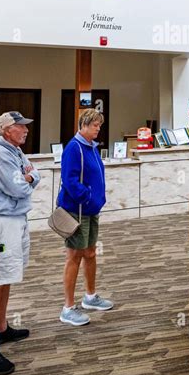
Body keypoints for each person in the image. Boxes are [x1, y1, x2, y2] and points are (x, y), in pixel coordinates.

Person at [0, 111, 40, 375]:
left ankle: (1, 329)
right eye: (20, 126)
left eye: (26, 126)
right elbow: (20, 188)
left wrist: (29, 177)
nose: (25, 130)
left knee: (7, 275)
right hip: (2, 224)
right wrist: (27, 179)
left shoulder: (14, 151)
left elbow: (34, 175)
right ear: (5, 130)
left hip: (15, 219)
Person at [58, 108, 113, 326]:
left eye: (100, 125)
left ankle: (90, 296)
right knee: (74, 256)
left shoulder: (91, 148)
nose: (98, 129)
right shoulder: (74, 148)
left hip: (91, 210)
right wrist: (88, 196)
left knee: (90, 253)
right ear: (84, 125)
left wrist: (98, 199)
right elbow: (69, 180)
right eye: (95, 125)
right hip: (77, 211)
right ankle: (68, 308)